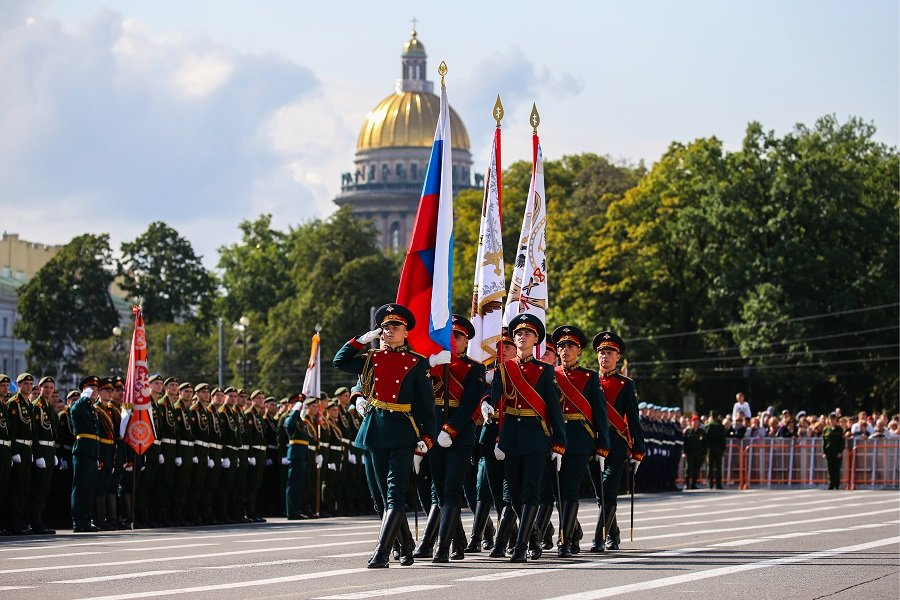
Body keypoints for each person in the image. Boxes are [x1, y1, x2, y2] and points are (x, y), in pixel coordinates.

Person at [333, 303, 436, 568]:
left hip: (402, 430)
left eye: (395, 327)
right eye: (386, 327)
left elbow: (426, 406)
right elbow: (339, 361)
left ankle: (381, 552)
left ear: (406, 332)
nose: (390, 331)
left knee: (394, 494)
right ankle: (405, 546)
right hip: (375, 430)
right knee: (380, 498)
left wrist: (426, 437)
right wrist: (359, 341)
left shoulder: (416, 362)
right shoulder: (371, 358)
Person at [486, 313, 566, 563]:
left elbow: (554, 408)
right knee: (515, 495)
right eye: (518, 333)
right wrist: (486, 404)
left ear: (536, 341)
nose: (522, 337)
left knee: (530, 490)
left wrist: (559, 443)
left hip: (536, 436)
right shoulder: (504, 368)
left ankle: (521, 545)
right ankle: (534, 536)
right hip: (511, 436)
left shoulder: (544, 370)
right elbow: (495, 394)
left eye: (527, 334)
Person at [421, 314, 485, 563]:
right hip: (434, 434)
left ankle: (442, 547)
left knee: (450, 489)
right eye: (450, 334)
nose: (452, 339)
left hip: (459, 435)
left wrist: (451, 429)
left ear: (466, 341)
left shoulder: (474, 368)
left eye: (457, 336)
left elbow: (469, 404)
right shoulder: (434, 364)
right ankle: (458, 543)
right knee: (439, 489)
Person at [550, 325, 609, 558]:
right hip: (554, 438)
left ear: (579, 351)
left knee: (570, 490)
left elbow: (600, 414)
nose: (565, 350)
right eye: (561, 346)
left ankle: (563, 540)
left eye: (570, 346)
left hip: (579, 439)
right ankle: (573, 532)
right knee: (557, 492)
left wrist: (603, 445)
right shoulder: (550, 374)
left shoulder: (590, 377)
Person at [591, 333, 645, 551]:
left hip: (616, 444)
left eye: (609, 353)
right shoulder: (590, 381)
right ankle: (613, 532)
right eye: (601, 352)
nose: (605, 356)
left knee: (608, 489)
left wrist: (638, 450)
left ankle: (598, 538)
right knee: (599, 495)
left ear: (617, 356)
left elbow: (633, 418)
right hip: (593, 443)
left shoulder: (625, 384)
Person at [6, 373, 35, 534]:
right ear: (18, 385)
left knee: (24, 486)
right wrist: (14, 452)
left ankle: (22, 522)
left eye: (30, 383)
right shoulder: (14, 403)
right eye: (25, 383)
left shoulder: (28, 404)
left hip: (27, 448)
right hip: (18, 446)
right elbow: (12, 429)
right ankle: (13, 523)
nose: (29, 386)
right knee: (16, 488)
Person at [30, 375, 59, 534]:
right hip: (40, 450)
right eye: (45, 387)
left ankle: (41, 520)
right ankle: (35, 522)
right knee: (38, 487)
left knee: (45, 488)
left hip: (49, 450)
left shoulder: (48, 406)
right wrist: (38, 454)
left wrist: (52, 453)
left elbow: (51, 433)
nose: (48, 390)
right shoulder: (36, 406)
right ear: (39, 388)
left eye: (51, 388)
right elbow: (35, 433)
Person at [822, 412, 844, 489]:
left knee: (836, 469)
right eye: (830, 419)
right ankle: (830, 484)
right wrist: (824, 452)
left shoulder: (839, 429)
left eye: (833, 419)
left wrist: (840, 451)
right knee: (830, 469)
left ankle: (836, 484)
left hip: (837, 452)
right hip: (829, 452)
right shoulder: (826, 429)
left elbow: (842, 442)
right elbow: (824, 442)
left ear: (836, 420)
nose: (832, 421)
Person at [682, 415, 705, 489]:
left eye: (697, 421)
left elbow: (705, 443)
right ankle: (687, 484)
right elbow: (684, 443)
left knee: (696, 468)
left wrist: (704, 452)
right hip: (690, 452)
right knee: (688, 468)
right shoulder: (688, 431)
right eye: (694, 421)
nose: (695, 423)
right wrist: (684, 452)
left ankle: (693, 484)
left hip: (698, 453)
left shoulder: (701, 432)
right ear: (691, 422)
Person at [705, 411, 726, 489]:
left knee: (709, 466)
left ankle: (710, 483)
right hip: (718, 448)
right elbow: (722, 439)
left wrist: (705, 448)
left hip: (710, 448)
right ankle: (718, 484)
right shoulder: (720, 426)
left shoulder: (708, 426)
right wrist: (723, 449)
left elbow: (706, 438)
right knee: (718, 467)